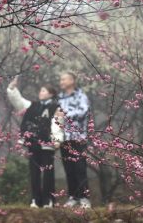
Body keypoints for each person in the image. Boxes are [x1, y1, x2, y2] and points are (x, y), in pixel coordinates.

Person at [7, 76, 64, 208]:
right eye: (40, 91)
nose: (40, 93)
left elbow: (57, 124)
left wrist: (57, 140)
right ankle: (35, 200)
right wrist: (12, 88)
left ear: (51, 94)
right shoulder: (33, 105)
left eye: (43, 91)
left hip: (47, 144)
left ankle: (48, 200)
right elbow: (18, 102)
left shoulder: (56, 107)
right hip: (33, 143)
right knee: (34, 172)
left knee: (48, 172)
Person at [57, 72, 91, 208]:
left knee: (80, 168)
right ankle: (73, 197)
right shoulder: (59, 98)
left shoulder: (81, 96)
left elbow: (83, 112)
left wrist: (64, 115)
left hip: (78, 137)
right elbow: (55, 115)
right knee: (69, 169)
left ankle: (84, 198)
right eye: (60, 79)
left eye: (63, 78)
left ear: (72, 80)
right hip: (64, 138)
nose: (61, 81)